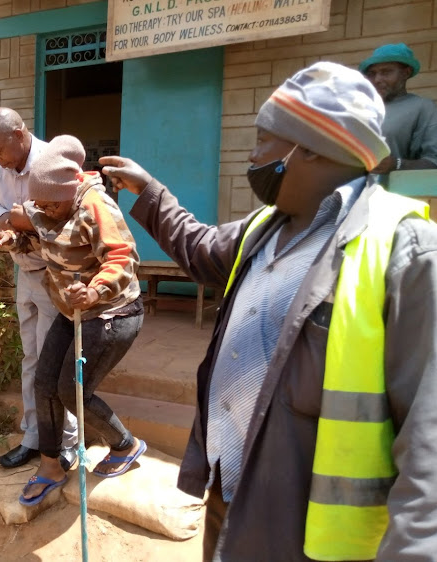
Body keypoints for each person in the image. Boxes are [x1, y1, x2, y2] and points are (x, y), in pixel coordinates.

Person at [100, 62, 437, 560]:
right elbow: (200, 248)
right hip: (231, 494)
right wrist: (150, 192)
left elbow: (428, 438)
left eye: (264, 140)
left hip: (306, 530)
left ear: (313, 147)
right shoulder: (266, 228)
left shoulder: (405, 252)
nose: (253, 156)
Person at [0, 135, 147, 506]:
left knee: (71, 390)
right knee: (44, 383)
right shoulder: (48, 204)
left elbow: (123, 258)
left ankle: (124, 445)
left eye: (50, 205)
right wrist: (10, 238)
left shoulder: (96, 207)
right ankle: (50, 467)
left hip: (111, 313)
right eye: (38, 204)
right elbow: (37, 238)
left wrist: (95, 290)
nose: (44, 210)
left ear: (68, 192)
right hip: (70, 308)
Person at [0, 108, 77, 470]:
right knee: (31, 358)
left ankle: (67, 442)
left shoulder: (53, 162)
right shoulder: (0, 162)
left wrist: (20, 221)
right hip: (25, 272)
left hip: (56, 276)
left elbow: (59, 220)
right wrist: (7, 222)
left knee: (56, 363)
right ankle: (34, 438)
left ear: (19, 135)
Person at [360, 43, 437, 173]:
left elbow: (433, 161)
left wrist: (396, 164)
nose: (377, 79)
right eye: (372, 74)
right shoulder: (361, 108)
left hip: (393, 190)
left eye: (386, 72)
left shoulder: (422, 107)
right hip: (346, 188)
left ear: (406, 73)